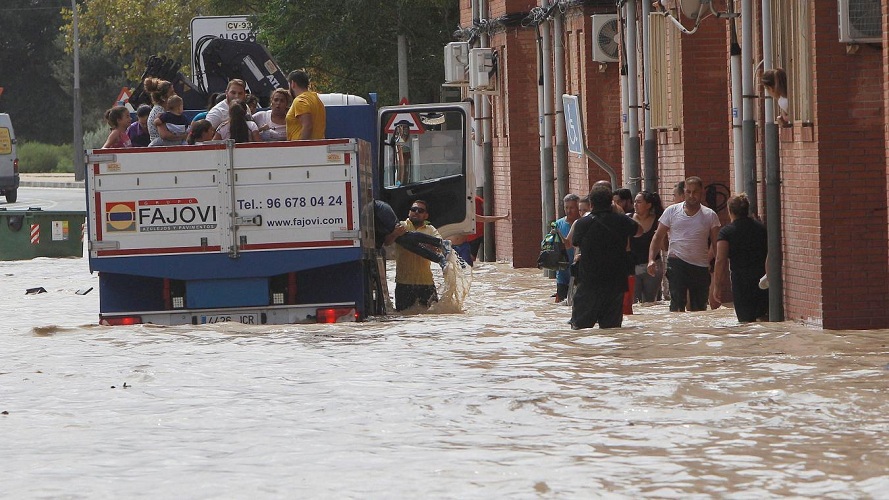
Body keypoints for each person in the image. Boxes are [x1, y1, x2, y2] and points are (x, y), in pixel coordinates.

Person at [569, 185, 644, 329]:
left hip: (589, 285)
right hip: (615, 285)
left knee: (581, 330)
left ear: (591, 204)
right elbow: (640, 230)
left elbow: (575, 242)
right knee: (612, 331)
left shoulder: (582, 223)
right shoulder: (621, 221)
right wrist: (619, 214)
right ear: (611, 203)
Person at [647, 176, 721, 312]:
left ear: (701, 193)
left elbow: (717, 245)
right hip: (677, 263)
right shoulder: (672, 211)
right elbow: (658, 236)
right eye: (688, 192)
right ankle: (677, 331)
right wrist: (651, 259)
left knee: (699, 308)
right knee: (677, 303)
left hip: (700, 266)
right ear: (684, 192)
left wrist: (718, 269)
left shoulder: (710, 215)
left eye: (695, 192)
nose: (692, 195)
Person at [713, 193, 769, 322]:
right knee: (763, 318)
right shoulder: (761, 228)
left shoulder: (726, 232)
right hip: (762, 280)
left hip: (741, 282)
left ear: (730, 211)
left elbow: (720, 260)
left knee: (745, 322)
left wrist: (717, 286)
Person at [392, 200, 446, 311]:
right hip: (404, 283)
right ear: (409, 212)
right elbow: (387, 241)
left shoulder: (431, 230)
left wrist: (422, 243)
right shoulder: (401, 226)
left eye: (420, 211)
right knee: (403, 318)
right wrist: (395, 234)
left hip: (426, 283)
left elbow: (440, 248)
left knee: (434, 317)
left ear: (426, 215)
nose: (416, 212)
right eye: (413, 209)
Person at [448, 195, 510, 267]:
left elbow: (484, 219)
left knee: (468, 268)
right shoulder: (447, 216)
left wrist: (502, 217)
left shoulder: (468, 216)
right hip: (451, 246)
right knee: (451, 268)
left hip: (463, 245)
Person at [630, 190, 664, 303]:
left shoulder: (658, 220)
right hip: (633, 267)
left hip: (653, 266)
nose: (635, 204)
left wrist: (661, 235)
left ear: (648, 205)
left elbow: (665, 247)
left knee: (650, 303)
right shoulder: (628, 219)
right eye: (634, 202)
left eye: (639, 202)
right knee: (633, 302)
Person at [553, 193, 581, 302]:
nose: (569, 211)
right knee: (560, 305)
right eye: (566, 207)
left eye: (572, 208)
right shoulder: (558, 224)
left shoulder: (582, 223)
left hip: (578, 271)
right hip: (562, 272)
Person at [286, 70, 326, 140]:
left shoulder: (300, 101)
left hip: (303, 148)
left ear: (293, 84)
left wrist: (301, 147)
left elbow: (307, 126)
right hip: (318, 145)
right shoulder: (316, 99)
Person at [143, 77, 175, 144]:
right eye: (172, 93)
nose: (175, 95)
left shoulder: (163, 110)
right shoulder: (159, 112)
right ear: (163, 98)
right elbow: (164, 135)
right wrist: (183, 136)